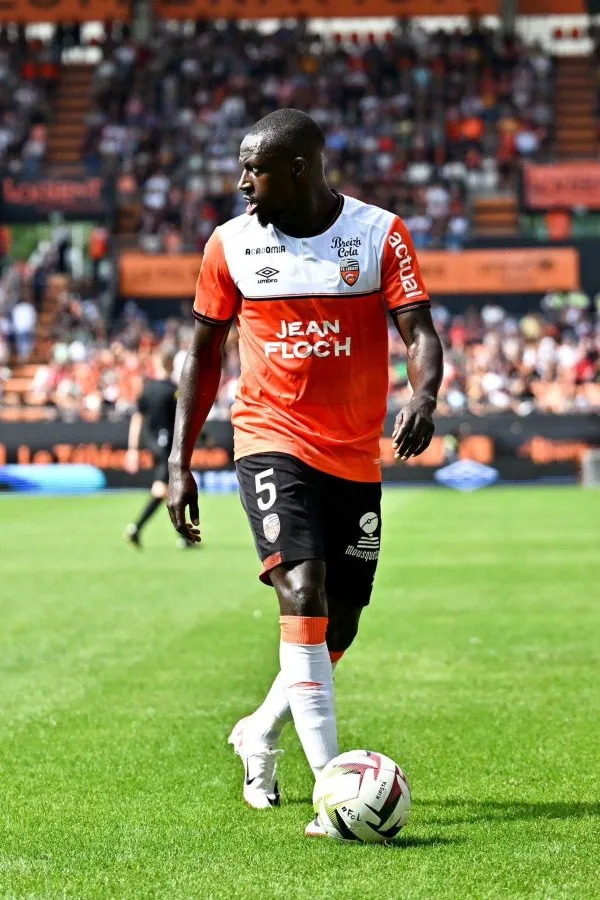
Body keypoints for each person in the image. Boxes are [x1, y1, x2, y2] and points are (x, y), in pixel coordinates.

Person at [167, 109, 443, 837]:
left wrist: (425, 394)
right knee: (302, 585)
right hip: (268, 436)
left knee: (340, 623)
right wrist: (178, 459)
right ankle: (335, 793)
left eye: (252, 168)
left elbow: (421, 331)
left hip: (352, 452)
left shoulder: (379, 234)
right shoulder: (229, 244)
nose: (240, 182)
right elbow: (200, 355)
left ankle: (259, 729)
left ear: (297, 168)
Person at [124, 348, 193, 549]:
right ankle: (136, 528)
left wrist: (133, 449)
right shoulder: (173, 390)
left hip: (151, 443)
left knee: (174, 489)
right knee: (162, 488)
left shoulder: (147, 389)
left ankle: (183, 536)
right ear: (171, 364)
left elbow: (137, 419)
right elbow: (184, 419)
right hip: (167, 446)